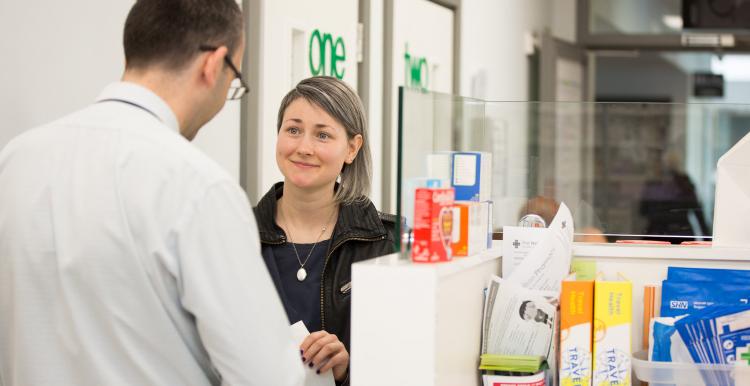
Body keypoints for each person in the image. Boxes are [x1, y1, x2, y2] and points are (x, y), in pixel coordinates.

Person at [0, 1, 303, 385]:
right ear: (215, 65)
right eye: (235, 81)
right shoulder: (197, 186)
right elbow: (268, 376)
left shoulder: (17, 159)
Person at [253, 76, 397, 385]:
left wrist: (346, 372)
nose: (304, 147)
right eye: (293, 130)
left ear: (352, 148)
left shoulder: (388, 243)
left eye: (322, 135)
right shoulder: (239, 236)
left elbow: (403, 363)